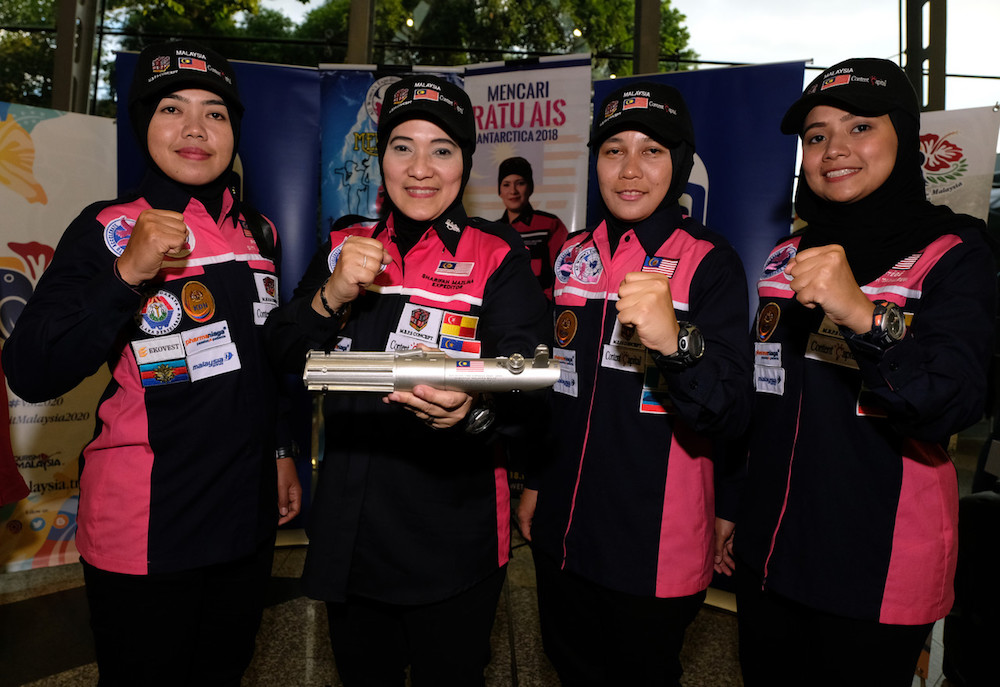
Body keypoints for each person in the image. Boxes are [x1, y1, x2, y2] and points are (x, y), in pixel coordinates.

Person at [1, 40, 301, 686]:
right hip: (147, 524)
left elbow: (267, 355)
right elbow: (31, 367)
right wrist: (125, 274)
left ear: (234, 131)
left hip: (244, 523)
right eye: (173, 108)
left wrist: (281, 448)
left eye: (215, 113)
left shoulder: (260, 231)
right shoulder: (107, 227)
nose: (195, 129)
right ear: (145, 124)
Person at [263, 75, 549, 686]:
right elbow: (283, 347)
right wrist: (334, 292)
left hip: (454, 531)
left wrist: (472, 410)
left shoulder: (495, 253)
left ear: (464, 163)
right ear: (381, 157)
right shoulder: (345, 242)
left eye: (441, 149)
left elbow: (528, 380)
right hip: (352, 525)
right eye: (402, 147)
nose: (421, 168)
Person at [734, 58, 996, 687]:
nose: (834, 150)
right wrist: (731, 506)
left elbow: (951, 402)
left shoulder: (954, 252)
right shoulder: (787, 256)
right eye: (817, 136)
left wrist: (863, 315)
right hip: (771, 553)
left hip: (877, 563)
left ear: (903, 137)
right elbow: (760, 399)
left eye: (860, 127)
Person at [517, 82, 753, 686]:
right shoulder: (574, 254)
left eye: (651, 151)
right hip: (564, 525)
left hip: (655, 537)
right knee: (568, 667)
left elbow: (728, 410)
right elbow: (557, 388)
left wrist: (676, 343)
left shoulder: (709, 259)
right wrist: (539, 481)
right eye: (613, 150)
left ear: (679, 164)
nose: (629, 170)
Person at [496, 156, 568, 298]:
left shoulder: (549, 224)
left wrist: (543, 303)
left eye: (520, 183)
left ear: (530, 188)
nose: (513, 191)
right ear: (499, 191)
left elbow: (564, 274)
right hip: (502, 312)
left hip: (541, 311)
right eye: (506, 184)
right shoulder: (494, 230)